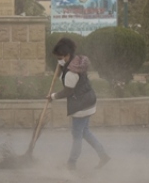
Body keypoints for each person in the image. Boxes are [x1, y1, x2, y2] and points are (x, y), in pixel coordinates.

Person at [47, 37, 109, 170]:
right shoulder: (76, 62)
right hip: (88, 100)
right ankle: (103, 155)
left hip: (81, 106)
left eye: (60, 57)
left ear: (67, 55)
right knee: (85, 132)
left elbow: (68, 91)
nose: (59, 60)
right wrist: (61, 67)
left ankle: (71, 163)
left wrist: (53, 96)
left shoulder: (71, 72)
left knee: (77, 136)